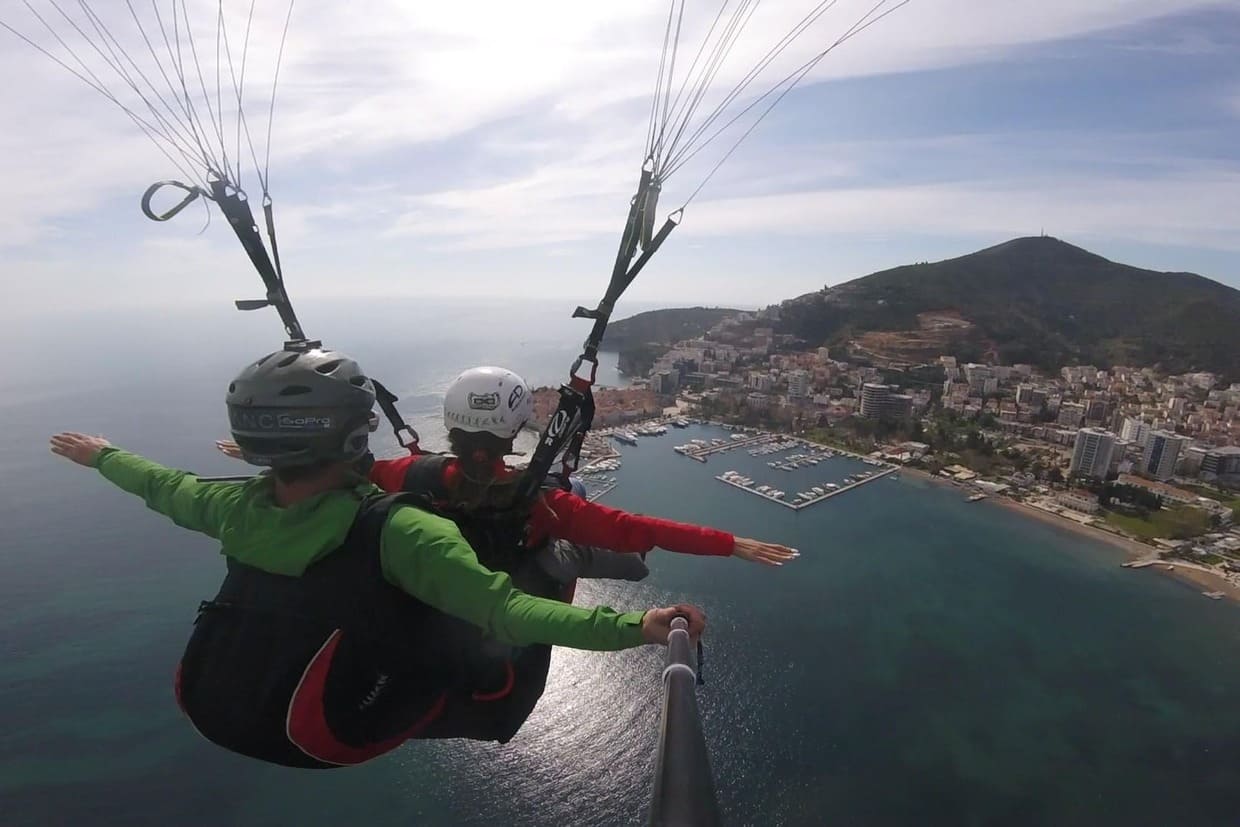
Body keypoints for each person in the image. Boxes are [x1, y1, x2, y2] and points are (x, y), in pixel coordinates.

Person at [49, 345, 705, 770]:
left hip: (224, 703)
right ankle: (567, 551)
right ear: (355, 435)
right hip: (352, 723)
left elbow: (168, 488)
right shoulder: (402, 531)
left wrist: (103, 455)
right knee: (541, 548)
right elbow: (510, 612)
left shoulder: (236, 508)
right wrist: (635, 628)